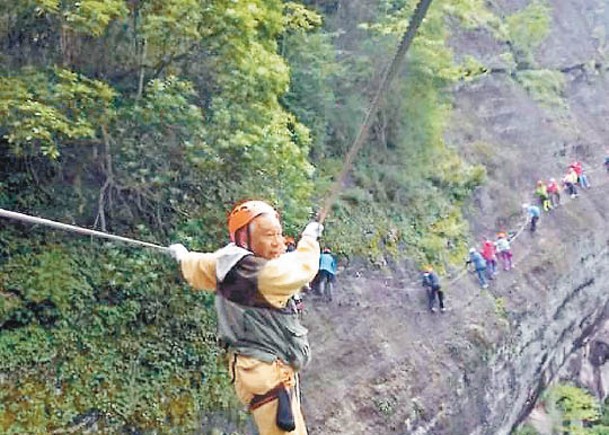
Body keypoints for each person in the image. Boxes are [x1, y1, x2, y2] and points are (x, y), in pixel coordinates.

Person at [168, 200, 323, 435]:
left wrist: (182, 257)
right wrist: (310, 240)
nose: (278, 243)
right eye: (268, 235)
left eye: (279, 234)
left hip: (260, 371)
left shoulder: (224, 263)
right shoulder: (264, 275)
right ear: (243, 239)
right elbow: (301, 269)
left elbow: (198, 265)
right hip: (268, 374)